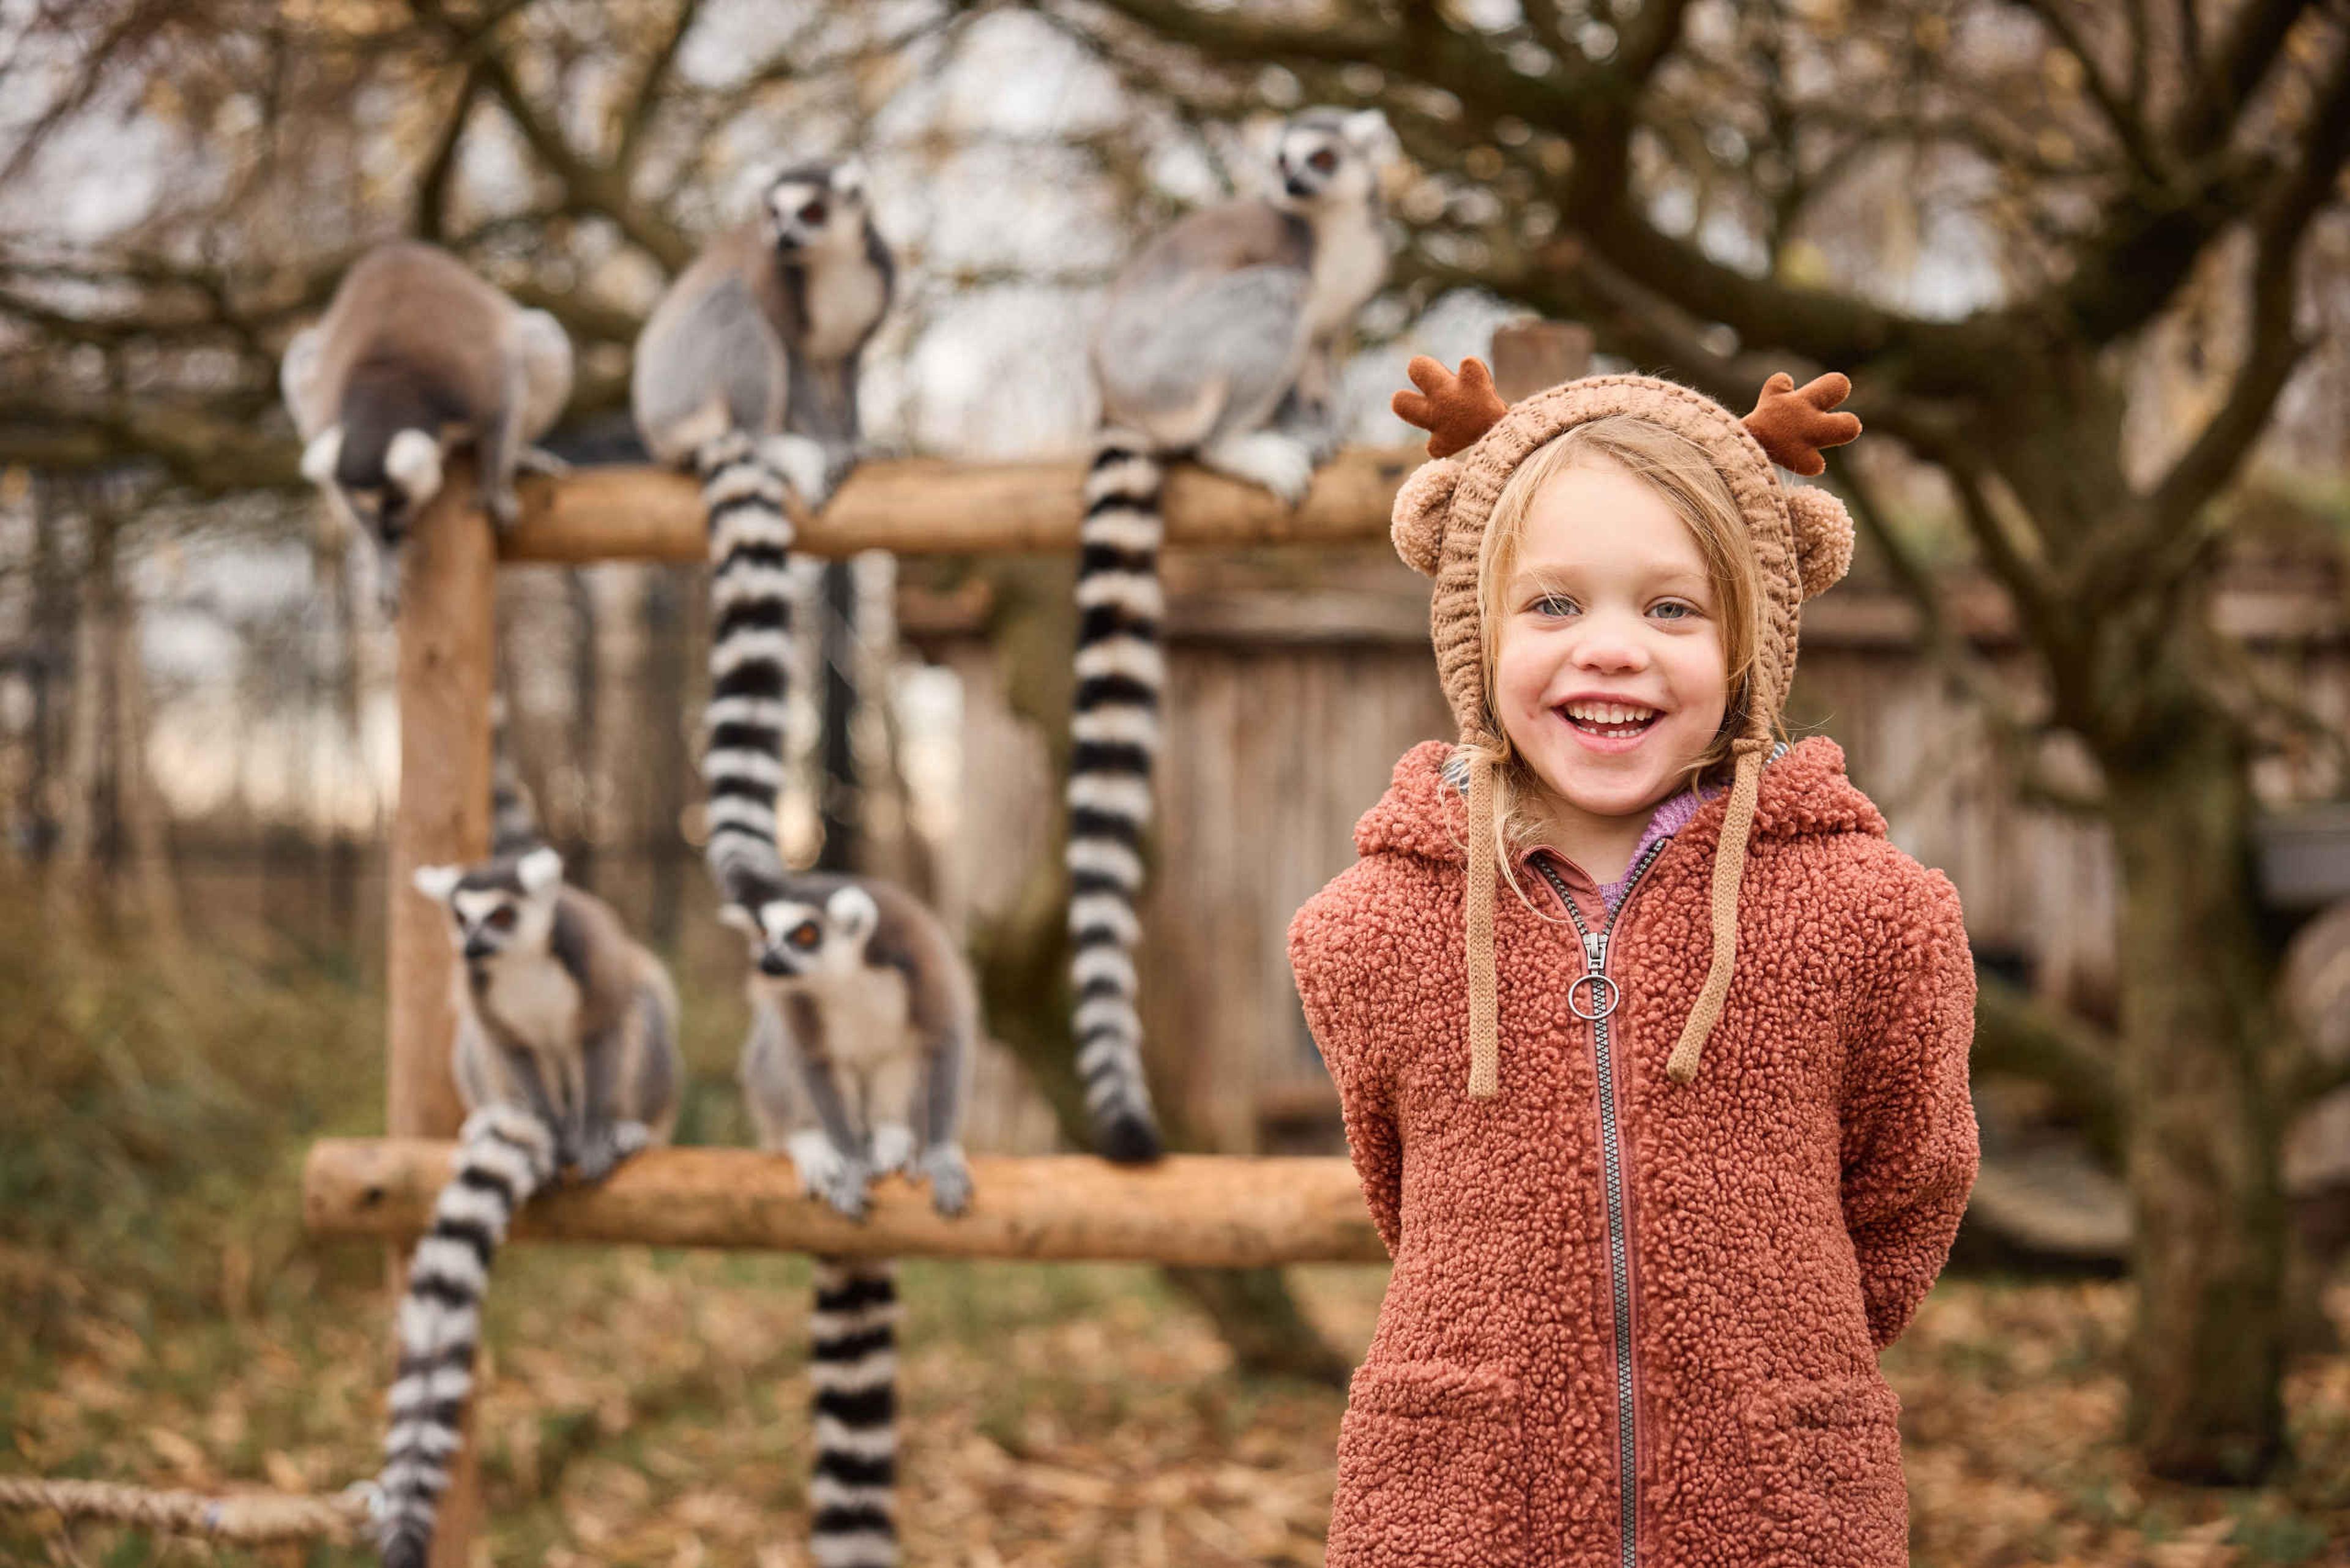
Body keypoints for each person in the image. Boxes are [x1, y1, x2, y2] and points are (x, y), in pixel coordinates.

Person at [1288, 356, 1979, 1567]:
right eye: (1554, 606)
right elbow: (1401, 1186)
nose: (1612, 650)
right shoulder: (1372, 929)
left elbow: (1908, 1181)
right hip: (1466, 1512)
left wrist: (1777, 1346)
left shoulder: (1873, 916)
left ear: (1748, 643)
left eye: (1671, 609)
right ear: (1477, 636)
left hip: (1774, 1504)